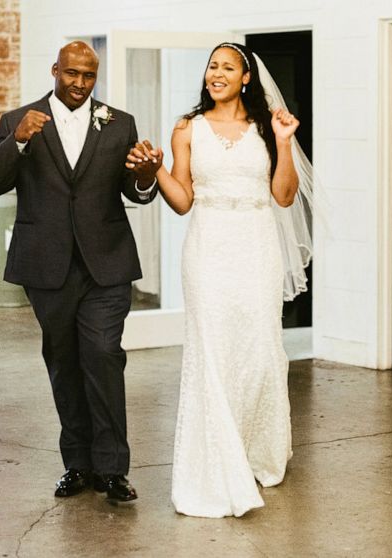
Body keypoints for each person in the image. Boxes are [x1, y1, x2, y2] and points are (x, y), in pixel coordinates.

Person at [126, 42, 313, 517]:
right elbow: (183, 199)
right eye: (212, 66)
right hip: (208, 246)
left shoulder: (267, 129)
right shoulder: (187, 128)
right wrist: (157, 171)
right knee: (211, 349)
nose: (217, 73)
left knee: (260, 351)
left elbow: (285, 197)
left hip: (257, 245)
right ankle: (215, 461)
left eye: (228, 67)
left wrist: (286, 141)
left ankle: (256, 451)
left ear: (245, 78)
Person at [0, 41, 159, 503]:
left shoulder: (121, 124)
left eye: (89, 76)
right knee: (64, 362)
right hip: (48, 265)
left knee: (102, 353)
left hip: (107, 263)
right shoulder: (19, 119)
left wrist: (146, 175)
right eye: (72, 74)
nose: (80, 83)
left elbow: (136, 192)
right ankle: (77, 465)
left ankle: (113, 469)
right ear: (55, 69)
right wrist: (18, 140)